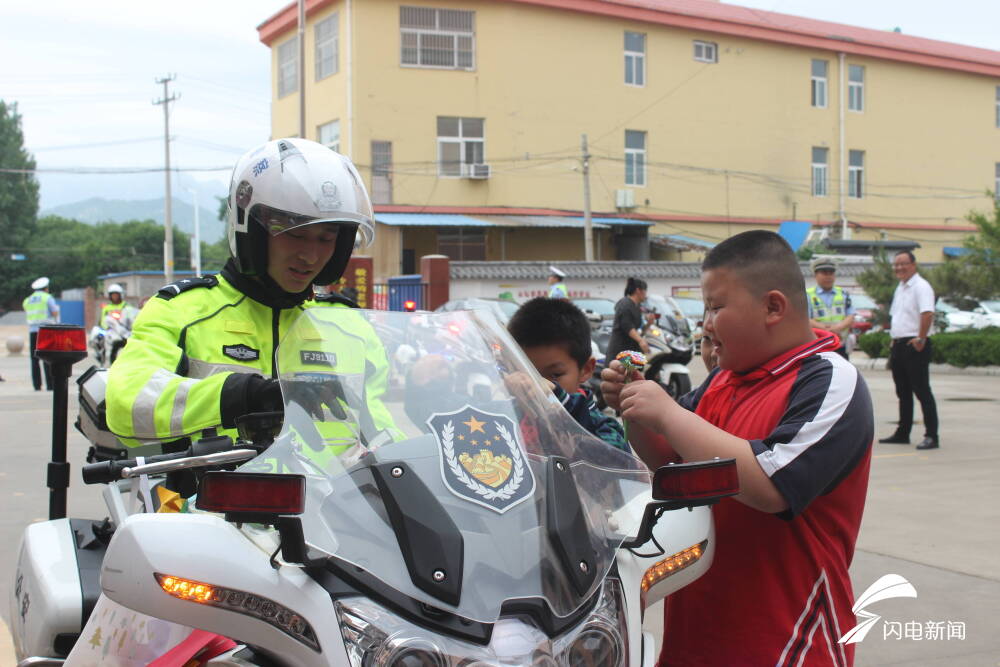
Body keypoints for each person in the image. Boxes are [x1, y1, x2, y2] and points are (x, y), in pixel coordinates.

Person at [601, 230, 873, 666]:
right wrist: (635, 410)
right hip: (699, 633)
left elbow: (772, 485)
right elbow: (672, 461)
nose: (705, 324)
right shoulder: (723, 379)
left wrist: (668, 413)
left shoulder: (829, 380)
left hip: (787, 640)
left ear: (773, 307)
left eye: (715, 307)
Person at [107, 138, 399, 455]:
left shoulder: (349, 327)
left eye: (327, 239)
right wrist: (243, 395)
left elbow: (380, 430)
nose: (311, 256)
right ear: (252, 232)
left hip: (327, 488)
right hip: (211, 486)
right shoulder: (182, 311)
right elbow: (126, 404)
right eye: (295, 234)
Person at [507, 297, 627, 451]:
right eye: (525, 373)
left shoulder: (598, 425)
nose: (540, 385)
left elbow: (618, 457)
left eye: (555, 375)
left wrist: (560, 400)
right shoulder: (509, 416)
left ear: (586, 369)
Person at [879, 250, 939, 450]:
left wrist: (921, 338)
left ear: (913, 265)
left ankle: (932, 435)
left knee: (922, 391)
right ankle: (903, 432)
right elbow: (898, 316)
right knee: (903, 392)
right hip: (899, 344)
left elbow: (927, 313)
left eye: (903, 263)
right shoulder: (900, 287)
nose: (899, 268)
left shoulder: (921, 286)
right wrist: (893, 340)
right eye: (896, 264)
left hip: (915, 344)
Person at [807, 256, 854, 359]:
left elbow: (850, 316)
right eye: (824, 273)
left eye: (831, 273)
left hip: (840, 344)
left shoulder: (843, 293)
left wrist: (837, 328)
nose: (828, 276)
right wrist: (825, 329)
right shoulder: (808, 295)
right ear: (815, 275)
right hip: (818, 345)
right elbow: (805, 318)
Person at [23, 276, 60, 391]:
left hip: (33, 331)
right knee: (47, 357)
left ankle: (37, 385)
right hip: (45, 331)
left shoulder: (28, 300)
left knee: (34, 359)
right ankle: (50, 385)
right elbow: (55, 312)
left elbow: (27, 310)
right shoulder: (47, 297)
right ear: (46, 288)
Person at [605, 276, 650, 365]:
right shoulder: (624, 304)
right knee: (619, 373)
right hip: (620, 350)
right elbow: (627, 326)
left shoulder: (637, 306)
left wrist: (649, 323)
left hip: (632, 350)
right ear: (638, 290)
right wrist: (641, 341)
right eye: (645, 291)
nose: (646, 295)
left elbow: (638, 331)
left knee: (636, 372)